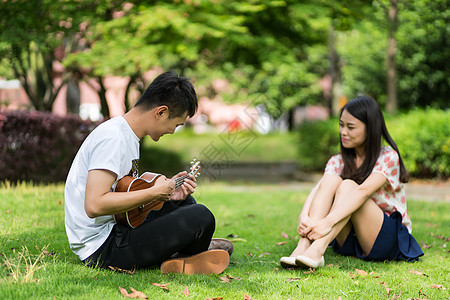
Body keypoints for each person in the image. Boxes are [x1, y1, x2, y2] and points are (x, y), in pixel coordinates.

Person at [64, 71, 233, 275]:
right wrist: (154, 193)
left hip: (117, 227)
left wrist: (167, 194)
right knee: (201, 216)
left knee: (185, 203)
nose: (172, 131)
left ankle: (183, 255)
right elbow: (94, 205)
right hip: (103, 247)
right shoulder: (113, 138)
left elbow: (124, 196)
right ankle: (186, 255)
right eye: (176, 124)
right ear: (161, 112)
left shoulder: (128, 136)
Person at [280, 96, 423, 269]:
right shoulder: (337, 160)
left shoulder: (387, 157)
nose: (343, 132)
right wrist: (304, 216)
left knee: (348, 186)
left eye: (351, 127)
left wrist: (327, 222)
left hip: (385, 236)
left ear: (370, 129)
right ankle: (303, 246)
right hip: (350, 235)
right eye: (341, 125)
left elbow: (363, 192)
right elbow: (319, 188)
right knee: (332, 179)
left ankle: (318, 248)